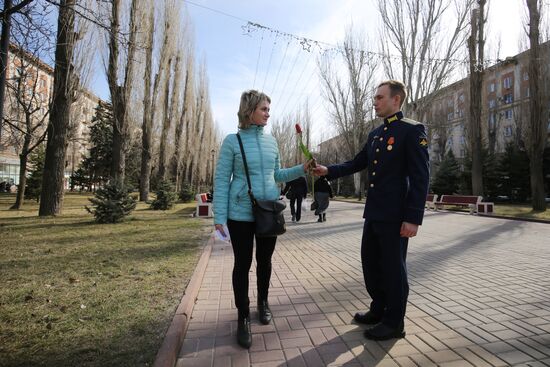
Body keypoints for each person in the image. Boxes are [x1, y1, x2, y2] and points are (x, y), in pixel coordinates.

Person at [312, 80, 429, 341]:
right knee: (371, 265)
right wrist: (328, 170)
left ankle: (394, 322)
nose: (374, 102)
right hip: (374, 213)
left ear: (396, 100)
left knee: (393, 269)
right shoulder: (375, 134)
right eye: (374, 98)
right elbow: (357, 162)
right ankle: (378, 310)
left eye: (379, 97)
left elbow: (421, 178)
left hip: (396, 215)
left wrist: (413, 218)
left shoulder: (412, 131)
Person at [213, 90, 314, 349]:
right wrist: (219, 218)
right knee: (242, 264)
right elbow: (222, 180)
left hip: (268, 212)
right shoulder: (232, 141)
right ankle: (243, 315)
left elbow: (277, 174)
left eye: (269, 109)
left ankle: (263, 303)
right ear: (250, 111)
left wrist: (301, 169)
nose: (268, 113)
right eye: (264, 109)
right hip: (240, 215)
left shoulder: (272, 142)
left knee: (265, 262)